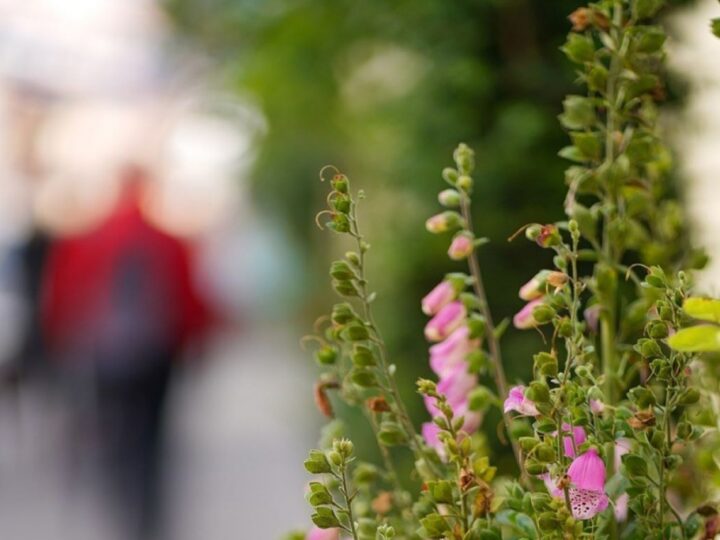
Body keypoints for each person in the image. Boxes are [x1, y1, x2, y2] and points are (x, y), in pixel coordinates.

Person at [40, 164, 212, 540]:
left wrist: (61, 347)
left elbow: (62, 297)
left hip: (105, 357)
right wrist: (193, 346)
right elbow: (191, 301)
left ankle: (122, 512)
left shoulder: (88, 238)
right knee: (152, 439)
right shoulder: (167, 241)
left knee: (114, 436)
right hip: (157, 355)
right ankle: (147, 517)